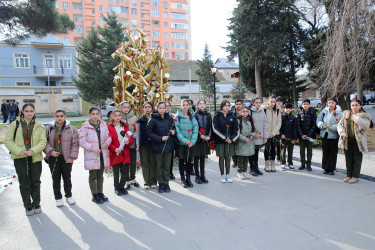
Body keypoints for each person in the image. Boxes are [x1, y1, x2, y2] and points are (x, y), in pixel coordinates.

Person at [4, 103, 47, 216]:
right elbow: (8, 141)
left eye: (31, 111)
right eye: (26, 111)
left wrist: (32, 151)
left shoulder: (40, 125)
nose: (29, 113)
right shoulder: (15, 124)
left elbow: (43, 142)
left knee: (35, 181)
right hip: (20, 158)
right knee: (24, 182)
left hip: (35, 158)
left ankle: (36, 204)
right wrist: (19, 151)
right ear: (22, 111)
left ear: (34, 112)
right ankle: (28, 206)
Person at [44, 110, 79, 207]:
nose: (60, 118)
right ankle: (58, 198)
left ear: (65, 117)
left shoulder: (72, 129)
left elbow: (75, 144)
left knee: (67, 178)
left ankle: (68, 196)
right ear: (55, 117)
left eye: (62, 116)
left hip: (66, 158)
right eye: (57, 116)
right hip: (53, 157)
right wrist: (51, 151)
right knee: (55, 178)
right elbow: (44, 142)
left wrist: (72, 157)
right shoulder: (49, 129)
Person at [79, 107, 112, 204]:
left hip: (102, 154)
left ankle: (100, 192)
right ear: (89, 115)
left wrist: (107, 143)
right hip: (92, 154)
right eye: (93, 114)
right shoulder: (85, 126)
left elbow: (108, 136)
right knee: (93, 175)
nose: (95, 116)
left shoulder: (103, 124)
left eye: (97, 114)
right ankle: (94, 194)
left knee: (100, 175)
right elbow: (82, 141)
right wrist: (92, 148)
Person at [337, 99, 373, 184]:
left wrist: (356, 117)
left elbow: (365, 126)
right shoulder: (346, 114)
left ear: (360, 106)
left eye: (356, 105)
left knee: (357, 158)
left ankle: (355, 176)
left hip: (358, 141)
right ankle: (349, 175)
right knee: (348, 158)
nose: (354, 107)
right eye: (352, 105)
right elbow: (339, 125)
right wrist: (342, 133)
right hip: (347, 140)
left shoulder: (364, 116)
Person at [146, 101, 176, 193]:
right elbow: (149, 133)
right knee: (159, 166)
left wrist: (174, 131)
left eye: (164, 108)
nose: (162, 110)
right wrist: (160, 138)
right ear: (156, 108)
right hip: (158, 146)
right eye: (160, 108)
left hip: (168, 145)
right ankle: (161, 183)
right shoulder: (152, 119)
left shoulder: (169, 118)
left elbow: (174, 127)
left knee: (167, 165)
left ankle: (166, 183)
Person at [212, 100, 239, 183]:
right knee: (221, 157)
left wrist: (231, 139)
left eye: (228, 105)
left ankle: (228, 174)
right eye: (225, 105)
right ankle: (222, 175)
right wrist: (224, 138)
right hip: (221, 141)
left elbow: (236, 129)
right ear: (222, 106)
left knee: (228, 157)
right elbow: (215, 128)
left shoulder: (233, 116)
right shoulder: (217, 116)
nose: (227, 107)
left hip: (230, 141)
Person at [108, 110, 133, 196]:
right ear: (112, 117)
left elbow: (130, 139)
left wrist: (128, 142)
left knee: (124, 171)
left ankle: (122, 187)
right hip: (115, 153)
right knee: (116, 172)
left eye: (119, 115)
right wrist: (114, 149)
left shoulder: (125, 126)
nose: (117, 117)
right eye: (115, 115)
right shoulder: (109, 127)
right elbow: (108, 141)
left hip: (124, 152)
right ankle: (117, 188)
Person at [316, 97, 343, 175]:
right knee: (325, 151)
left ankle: (331, 168)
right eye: (329, 103)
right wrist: (321, 125)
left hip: (333, 135)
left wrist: (333, 127)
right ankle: (325, 168)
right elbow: (318, 119)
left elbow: (341, 123)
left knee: (333, 152)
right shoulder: (324, 111)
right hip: (325, 134)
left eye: (332, 103)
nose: (330, 104)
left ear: (335, 103)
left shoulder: (340, 113)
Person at [175, 100, 199, 188]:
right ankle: (182, 179)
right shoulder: (178, 117)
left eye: (187, 105)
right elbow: (177, 130)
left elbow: (195, 128)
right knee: (182, 161)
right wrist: (184, 140)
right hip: (182, 144)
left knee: (189, 161)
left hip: (190, 144)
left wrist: (192, 141)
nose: (185, 106)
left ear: (189, 106)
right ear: (180, 106)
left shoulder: (192, 116)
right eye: (183, 105)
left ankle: (188, 178)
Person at [137, 102, 157, 189]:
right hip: (144, 145)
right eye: (145, 107)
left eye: (149, 107)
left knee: (153, 163)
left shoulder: (155, 118)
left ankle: (153, 181)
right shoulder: (140, 120)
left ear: (152, 108)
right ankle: (146, 182)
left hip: (153, 144)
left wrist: (152, 138)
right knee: (145, 163)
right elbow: (139, 134)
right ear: (143, 108)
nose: (147, 109)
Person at [120, 101, 140, 189]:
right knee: (125, 163)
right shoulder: (119, 117)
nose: (126, 109)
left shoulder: (134, 118)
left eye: (128, 107)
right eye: (124, 107)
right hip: (123, 146)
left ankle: (133, 178)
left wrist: (136, 133)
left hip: (132, 145)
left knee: (132, 163)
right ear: (121, 108)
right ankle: (127, 180)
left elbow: (138, 128)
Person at [249, 97, 269, 176]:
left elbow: (265, 124)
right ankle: (251, 169)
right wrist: (253, 134)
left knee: (256, 152)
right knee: (251, 153)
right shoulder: (250, 111)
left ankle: (256, 168)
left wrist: (265, 137)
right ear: (253, 103)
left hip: (260, 136)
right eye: (256, 102)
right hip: (252, 136)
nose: (258, 104)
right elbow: (248, 125)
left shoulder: (262, 111)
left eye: (259, 102)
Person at [193, 99, 212, 184]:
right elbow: (195, 127)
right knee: (197, 158)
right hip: (198, 139)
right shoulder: (195, 115)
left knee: (203, 158)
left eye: (203, 103)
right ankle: (197, 176)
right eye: (200, 104)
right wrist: (200, 135)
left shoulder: (208, 115)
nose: (202, 105)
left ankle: (203, 175)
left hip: (206, 139)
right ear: (197, 105)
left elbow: (211, 126)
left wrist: (209, 135)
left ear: (205, 105)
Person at [235, 106, 256, 180]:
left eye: (246, 111)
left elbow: (254, 130)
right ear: (240, 112)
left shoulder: (250, 120)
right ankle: (239, 172)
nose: (245, 113)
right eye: (243, 111)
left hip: (249, 142)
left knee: (246, 158)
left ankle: (244, 171)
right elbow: (237, 132)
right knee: (241, 158)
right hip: (242, 142)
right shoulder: (238, 120)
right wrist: (244, 138)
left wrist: (252, 136)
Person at [262, 96, 282, 172]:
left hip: (275, 134)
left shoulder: (277, 110)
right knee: (266, 149)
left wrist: (273, 133)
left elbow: (279, 123)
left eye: (274, 102)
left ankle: (272, 165)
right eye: (271, 102)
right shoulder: (264, 109)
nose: (272, 103)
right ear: (268, 101)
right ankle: (266, 164)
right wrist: (267, 133)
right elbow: (263, 122)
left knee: (274, 149)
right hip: (266, 133)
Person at [297, 99, 317, 171]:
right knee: (302, 151)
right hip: (301, 136)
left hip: (310, 135)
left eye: (307, 104)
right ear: (302, 105)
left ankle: (308, 164)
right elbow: (298, 125)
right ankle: (302, 164)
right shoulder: (299, 114)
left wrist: (308, 135)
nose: (305, 105)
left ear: (309, 105)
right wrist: (301, 134)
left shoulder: (313, 113)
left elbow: (314, 125)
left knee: (309, 150)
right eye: (304, 104)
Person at [279, 103, 298, 170]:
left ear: (291, 109)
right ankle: (283, 162)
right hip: (283, 137)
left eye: (289, 108)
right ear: (284, 109)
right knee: (283, 150)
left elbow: (295, 128)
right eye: (286, 108)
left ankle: (290, 163)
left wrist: (294, 138)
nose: (288, 110)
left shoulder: (293, 118)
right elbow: (279, 127)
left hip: (291, 137)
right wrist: (281, 134)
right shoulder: (281, 117)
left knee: (290, 151)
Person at [165, 101, 176, 180]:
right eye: (165, 106)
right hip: (163, 140)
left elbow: (176, 126)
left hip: (171, 140)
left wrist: (174, 131)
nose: (167, 107)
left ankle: (170, 172)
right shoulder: (160, 116)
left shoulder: (173, 116)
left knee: (170, 158)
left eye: (168, 106)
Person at [232, 99, 243, 168]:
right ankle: (235, 161)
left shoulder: (244, 112)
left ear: (242, 105)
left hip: (242, 132)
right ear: (235, 105)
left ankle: (241, 161)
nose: (238, 105)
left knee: (241, 147)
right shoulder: (232, 113)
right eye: (237, 104)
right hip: (234, 133)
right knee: (234, 148)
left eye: (240, 104)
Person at [276, 96, 285, 163]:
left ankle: (280, 157)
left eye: (280, 101)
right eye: (278, 101)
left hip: (283, 130)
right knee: (275, 144)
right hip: (275, 130)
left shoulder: (284, 110)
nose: (279, 103)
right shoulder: (274, 110)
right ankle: (275, 157)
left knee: (281, 145)